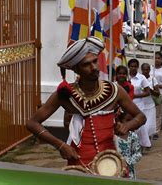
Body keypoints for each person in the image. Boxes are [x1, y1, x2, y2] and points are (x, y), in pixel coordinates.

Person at [26, 37, 146, 171]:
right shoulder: (66, 94)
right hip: (78, 160)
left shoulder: (115, 91)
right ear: (76, 69)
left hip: (110, 161)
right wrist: (60, 145)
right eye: (86, 64)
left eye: (95, 61)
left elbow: (141, 116)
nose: (94, 67)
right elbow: (32, 123)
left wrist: (127, 125)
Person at [113, 65, 142, 180]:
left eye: (124, 73)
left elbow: (138, 154)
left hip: (128, 170)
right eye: (119, 73)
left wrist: (127, 161)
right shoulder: (112, 135)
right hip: (113, 168)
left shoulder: (132, 136)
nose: (121, 75)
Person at [128, 58, 152, 150]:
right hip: (127, 105)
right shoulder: (125, 77)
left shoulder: (142, 78)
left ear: (137, 67)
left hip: (139, 104)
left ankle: (143, 144)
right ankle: (131, 144)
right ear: (128, 67)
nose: (133, 68)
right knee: (130, 124)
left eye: (135, 66)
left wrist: (135, 96)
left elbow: (147, 92)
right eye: (131, 66)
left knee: (140, 125)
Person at [141, 63, 158, 142]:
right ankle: (145, 142)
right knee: (142, 126)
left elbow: (157, 93)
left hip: (150, 105)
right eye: (144, 69)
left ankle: (147, 141)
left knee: (149, 126)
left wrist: (150, 90)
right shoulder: (139, 79)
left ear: (149, 70)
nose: (145, 71)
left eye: (147, 69)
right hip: (141, 106)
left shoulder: (153, 79)